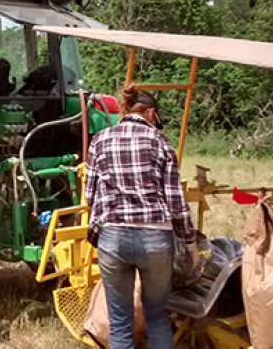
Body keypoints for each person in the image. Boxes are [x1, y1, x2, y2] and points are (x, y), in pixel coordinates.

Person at [84, 83, 200, 349]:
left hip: (112, 238)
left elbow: (89, 196)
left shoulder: (100, 140)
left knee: (121, 320)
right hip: (155, 238)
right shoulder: (160, 142)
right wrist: (189, 242)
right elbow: (175, 200)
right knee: (157, 315)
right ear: (150, 113)